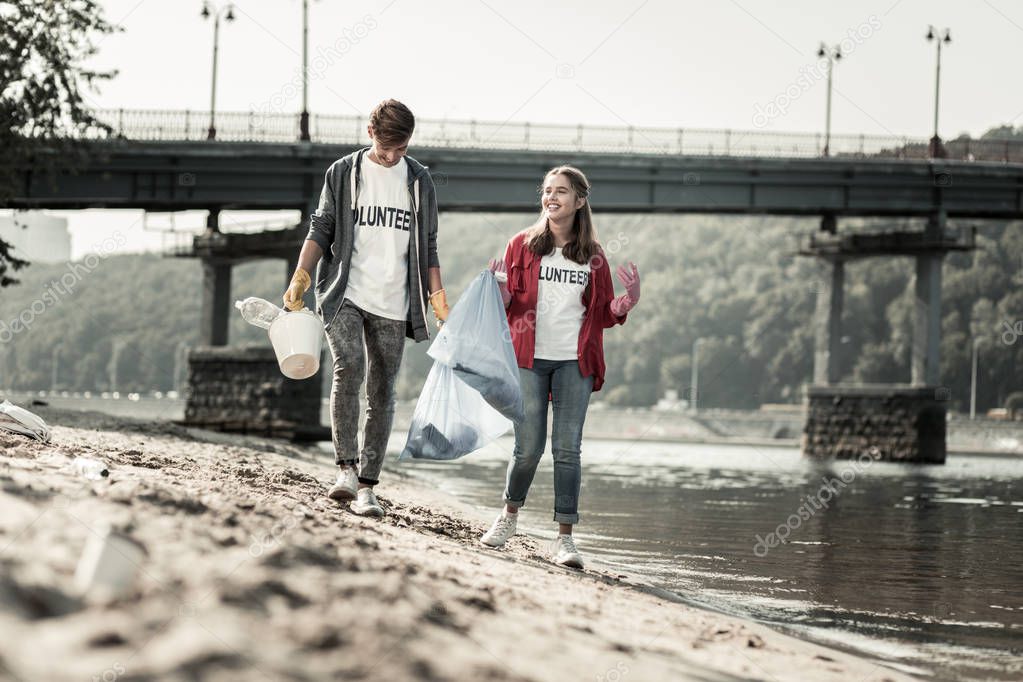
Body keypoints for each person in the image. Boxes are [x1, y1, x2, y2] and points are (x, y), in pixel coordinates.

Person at [283, 99, 448, 517]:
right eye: (386, 147)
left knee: (383, 391)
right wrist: (301, 275)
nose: (392, 157)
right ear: (369, 132)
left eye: (402, 149)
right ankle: (345, 469)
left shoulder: (419, 180)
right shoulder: (343, 173)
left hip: (395, 301)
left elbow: (427, 245)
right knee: (348, 367)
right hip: (346, 292)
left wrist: (438, 300)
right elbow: (322, 227)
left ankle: (368, 486)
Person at [479, 165, 640, 568]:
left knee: (567, 450)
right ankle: (509, 516)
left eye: (561, 192)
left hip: (575, 361)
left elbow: (601, 313)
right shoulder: (522, 245)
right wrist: (498, 290)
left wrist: (624, 304)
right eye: (547, 191)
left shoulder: (594, 258)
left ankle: (565, 540)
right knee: (528, 448)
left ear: (580, 201)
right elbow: (508, 308)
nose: (551, 197)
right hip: (528, 359)